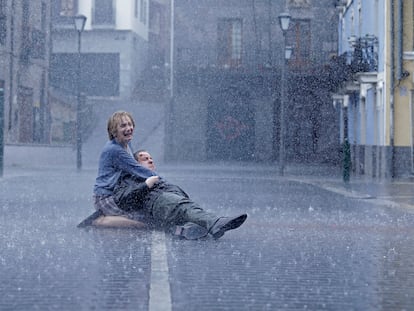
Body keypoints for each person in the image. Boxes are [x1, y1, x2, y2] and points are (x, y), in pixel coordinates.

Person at [79, 110, 247, 240]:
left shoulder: (126, 145)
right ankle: (99, 220)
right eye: (123, 126)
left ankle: (206, 225)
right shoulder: (115, 150)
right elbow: (138, 170)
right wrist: (158, 182)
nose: (128, 128)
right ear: (113, 131)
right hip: (107, 197)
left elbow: (134, 171)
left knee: (160, 213)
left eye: (130, 125)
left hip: (121, 193)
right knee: (146, 220)